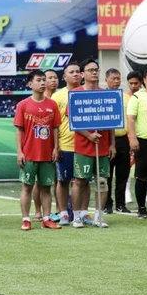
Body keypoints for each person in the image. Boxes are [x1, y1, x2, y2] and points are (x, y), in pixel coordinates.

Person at [15, 70, 62, 231]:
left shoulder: (52, 105)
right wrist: (19, 152)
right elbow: (19, 130)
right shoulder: (23, 105)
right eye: (39, 80)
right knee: (27, 187)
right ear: (30, 84)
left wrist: (56, 147)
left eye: (44, 80)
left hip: (48, 154)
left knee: (46, 187)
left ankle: (47, 218)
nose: (43, 83)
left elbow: (55, 128)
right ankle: (26, 219)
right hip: (29, 154)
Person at [71, 58, 113, 228]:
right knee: (80, 181)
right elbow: (73, 121)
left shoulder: (106, 94)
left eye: (96, 69)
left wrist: (112, 145)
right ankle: (77, 217)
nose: (94, 72)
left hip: (103, 148)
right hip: (83, 148)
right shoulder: (76, 94)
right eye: (90, 70)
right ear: (82, 74)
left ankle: (98, 216)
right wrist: (88, 135)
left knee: (102, 181)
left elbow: (112, 121)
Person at [51, 61, 82, 225]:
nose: (75, 74)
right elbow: (54, 124)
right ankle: (63, 213)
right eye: (72, 72)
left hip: (85, 145)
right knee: (62, 180)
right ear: (64, 77)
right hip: (66, 145)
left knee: (83, 181)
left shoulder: (86, 93)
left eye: (78, 71)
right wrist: (56, 146)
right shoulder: (57, 97)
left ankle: (83, 213)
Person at [127, 67, 147, 219]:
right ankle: (141, 207)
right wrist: (133, 138)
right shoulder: (137, 97)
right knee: (142, 176)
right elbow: (131, 118)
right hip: (144, 142)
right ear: (144, 80)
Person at [103, 68, 131, 214]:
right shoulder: (102, 96)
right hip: (106, 141)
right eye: (113, 78)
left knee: (123, 173)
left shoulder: (126, 97)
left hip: (124, 140)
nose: (116, 81)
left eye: (118, 79)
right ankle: (107, 204)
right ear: (106, 79)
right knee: (107, 174)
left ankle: (121, 204)